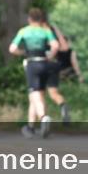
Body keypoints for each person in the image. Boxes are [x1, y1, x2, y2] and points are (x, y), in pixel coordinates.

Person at [9, 8, 59, 138]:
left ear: (29, 19)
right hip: (45, 63)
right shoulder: (45, 31)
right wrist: (50, 56)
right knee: (39, 95)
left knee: (34, 93)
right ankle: (31, 126)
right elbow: (55, 45)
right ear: (41, 19)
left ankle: (43, 117)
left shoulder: (24, 31)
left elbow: (12, 48)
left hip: (32, 63)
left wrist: (22, 53)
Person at [43, 17, 79, 123]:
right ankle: (63, 106)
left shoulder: (38, 34)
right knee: (53, 93)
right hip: (53, 66)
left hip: (39, 65)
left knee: (37, 95)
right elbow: (65, 47)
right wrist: (56, 29)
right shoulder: (53, 37)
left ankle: (43, 120)